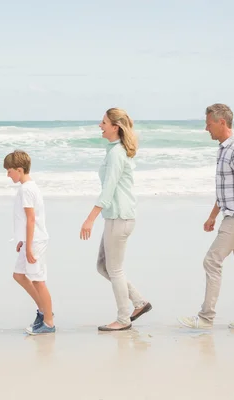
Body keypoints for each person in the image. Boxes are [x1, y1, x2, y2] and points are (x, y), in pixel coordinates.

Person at [178, 103, 234, 330]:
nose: (206, 128)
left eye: (209, 124)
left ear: (222, 122)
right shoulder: (224, 149)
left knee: (212, 260)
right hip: (231, 215)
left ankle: (206, 318)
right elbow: (228, 190)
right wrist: (212, 216)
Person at [79, 107, 152, 332]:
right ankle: (139, 303)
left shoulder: (116, 153)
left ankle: (123, 319)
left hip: (120, 217)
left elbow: (108, 190)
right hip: (115, 217)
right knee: (104, 267)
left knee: (115, 269)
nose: (100, 126)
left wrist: (89, 219)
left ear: (115, 126)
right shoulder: (114, 151)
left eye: (103, 122)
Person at [4, 150, 55, 335]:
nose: (8, 175)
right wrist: (22, 241)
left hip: (36, 242)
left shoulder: (27, 189)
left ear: (19, 169)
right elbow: (25, 221)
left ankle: (48, 322)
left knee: (39, 281)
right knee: (19, 275)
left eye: (9, 171)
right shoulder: (27, 187)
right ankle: (43, 310)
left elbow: (31, 219)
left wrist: (29, 248)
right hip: (29, 241)